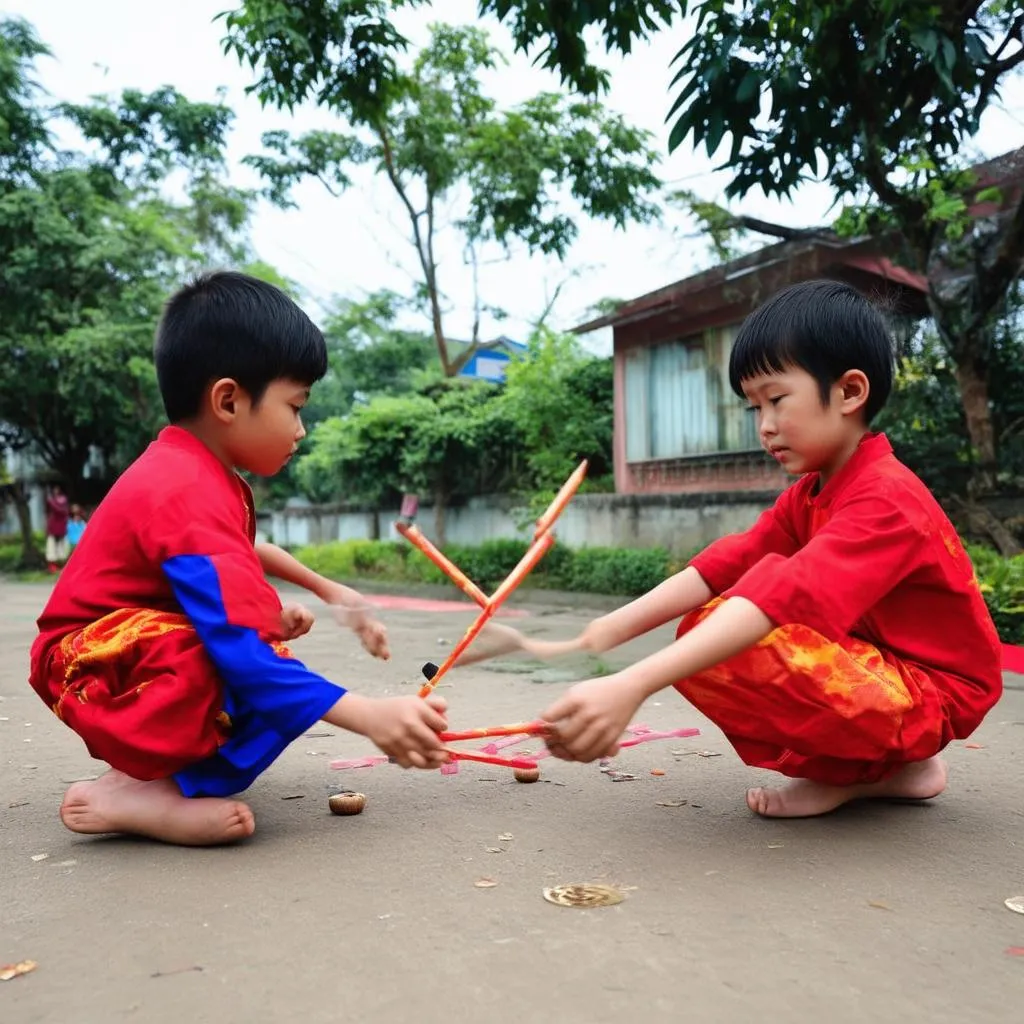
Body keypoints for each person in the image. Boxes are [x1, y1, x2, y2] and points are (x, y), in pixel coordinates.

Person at [535, 280, 1003, 818]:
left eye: (777, 400)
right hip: (887, 670)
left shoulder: (887, 500)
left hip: (935, 693)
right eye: (754, 408)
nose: (765, 427)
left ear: (850, 392)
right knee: (709, 626)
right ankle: (898, 768)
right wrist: (608, 630)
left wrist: (632, 683)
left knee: (737, 640)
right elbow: (732, 561)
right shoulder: (813, 491)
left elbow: (779, 595)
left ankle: (863, 771)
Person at [29, 271, 449, 847]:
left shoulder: (197, 473)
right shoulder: (181, 486)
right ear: (228, 399)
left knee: (265, 666)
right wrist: (368, 715)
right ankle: (141, 793)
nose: (300, 429)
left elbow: (244, 552)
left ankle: (155, 785)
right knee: (253, 662)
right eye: (294, 406)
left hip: (123, 649)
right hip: (85, 662)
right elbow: (243, 654)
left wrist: (334, 592)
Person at [45, 484, 70, 572]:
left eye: (57, 489)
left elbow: (60, 510)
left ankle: (61, 564)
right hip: (53, 527)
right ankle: (52, 565)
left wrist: (51, 502)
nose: (56, 491)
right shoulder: (51, 500)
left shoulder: (63, 500)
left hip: (61, 527)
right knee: (51, 546)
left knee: (62, 547)